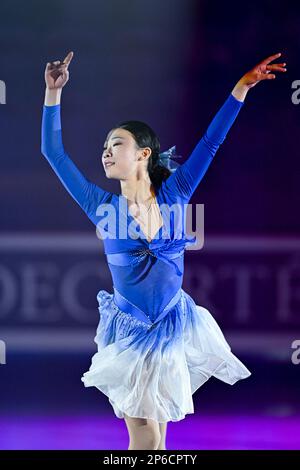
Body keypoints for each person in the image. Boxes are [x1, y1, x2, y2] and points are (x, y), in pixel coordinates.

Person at [41, 51, 286, 450]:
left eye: (116, 143)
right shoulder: (101, 207)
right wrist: (53, 93)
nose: (105, 151)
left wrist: (241, 88)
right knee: (146, 438)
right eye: (104, 146)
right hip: (130, 333)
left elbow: (212, 141)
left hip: (173, 326)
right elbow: (55, 154)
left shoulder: (177, 194)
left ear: (143, 154)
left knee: (159, 443)